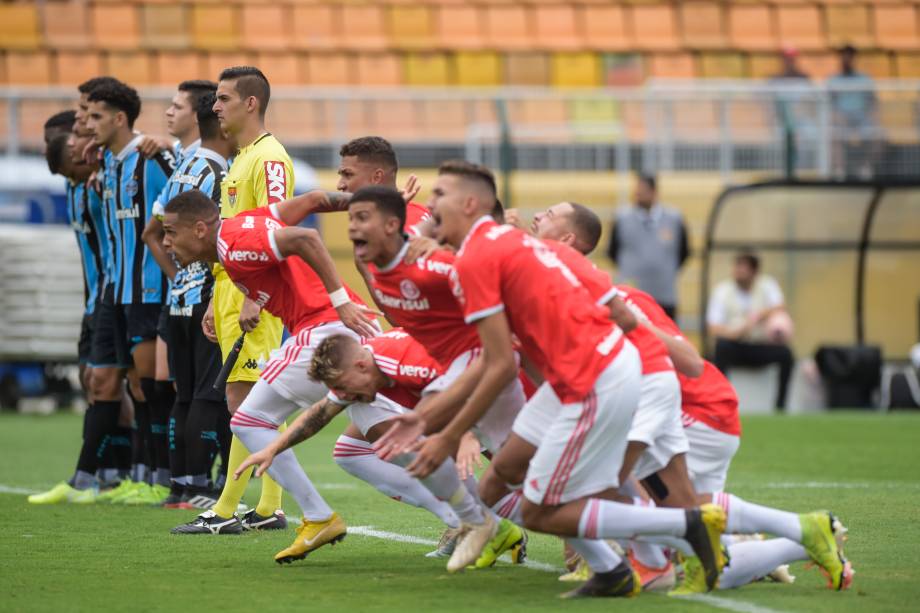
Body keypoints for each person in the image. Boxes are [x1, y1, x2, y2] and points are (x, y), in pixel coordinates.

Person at [377, 161, 727, 597]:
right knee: (495, 480)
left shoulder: (481, 258)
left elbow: (500, 363)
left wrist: (448, 433)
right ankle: (632, 562)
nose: (429, 205)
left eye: (440, 195)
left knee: (544, 511)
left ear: (470, 203)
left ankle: (682, 529)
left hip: (594, 380)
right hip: (587, 377)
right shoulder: (515, 246)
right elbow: (613, 312)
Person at [162, 186, 379, 560]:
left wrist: (340, 303)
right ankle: (474, 517)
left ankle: (306, 513)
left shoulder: (233, 240)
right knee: (374, 442)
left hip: (330, 329)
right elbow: (313, 202)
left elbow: (306, 236)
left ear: (199, 228)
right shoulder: (243, 227)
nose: (166, 242)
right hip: (344, 329)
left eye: (170, 232)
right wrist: (378, 200)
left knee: (248, 416)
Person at [175, 66, 291, 533]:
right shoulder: (243, 158)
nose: (215, 107)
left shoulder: (270, 159)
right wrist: (215, 297)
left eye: (222, 99)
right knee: (247, 401)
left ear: (251, 103)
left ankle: (224, 511)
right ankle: (269, 509)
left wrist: (256, 295)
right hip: (229, 289)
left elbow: (276, 227)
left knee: (245, 402)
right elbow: (234, 235)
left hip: (252, 293)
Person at [84, 79, 175, 505]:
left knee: (152, 388)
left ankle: (163, 475)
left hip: (150, 290)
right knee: (138, 388)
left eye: (96, 115)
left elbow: (179, 208)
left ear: (120, 119)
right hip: (119, 292)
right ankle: (145, 474)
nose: (87, 122)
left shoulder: (150, 160)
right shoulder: (111, 163)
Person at [143, 89, 235, 509]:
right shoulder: (221, 171)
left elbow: (154, 231)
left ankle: (182, 486)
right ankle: (200, 487)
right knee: (206, 395)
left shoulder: (184, 165)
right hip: (207, 295)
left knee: (183, 394)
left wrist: (177, 276)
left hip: (177, 293)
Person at [708, 250, 795, 410]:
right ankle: (723, 402)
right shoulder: (722, 290)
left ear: (754, 272)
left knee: (786, 354)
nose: (739, 271)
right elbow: (714, 328)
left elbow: (780, 306)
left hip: (761, 345)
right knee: (721, 347)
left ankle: (780, 406)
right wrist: (735, 333)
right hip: (736, 345)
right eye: (737, 266)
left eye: (744, 267)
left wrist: (758, 316)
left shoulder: (767, 285)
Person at [606, 175, 690, 319]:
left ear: (654, 192)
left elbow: (684, 252)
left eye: (643, 190)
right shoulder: (622, 218)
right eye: (637, 190)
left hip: (664, 293)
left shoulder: (674, 218)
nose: (639, 194)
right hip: (631, 295)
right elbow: (612, 251)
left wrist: (663, 269)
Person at [828, 45, 880, 179]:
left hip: (862, 118)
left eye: (849, 56)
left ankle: (866, 168)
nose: (846, 59)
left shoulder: (865, 79)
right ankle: (840, 171)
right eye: (843, 56)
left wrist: (873, 118)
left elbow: (873, 103)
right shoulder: (832, 80)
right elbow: (828, 105)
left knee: (877, 135)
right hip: (841, 119)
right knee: (833, 135)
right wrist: (837, 117)